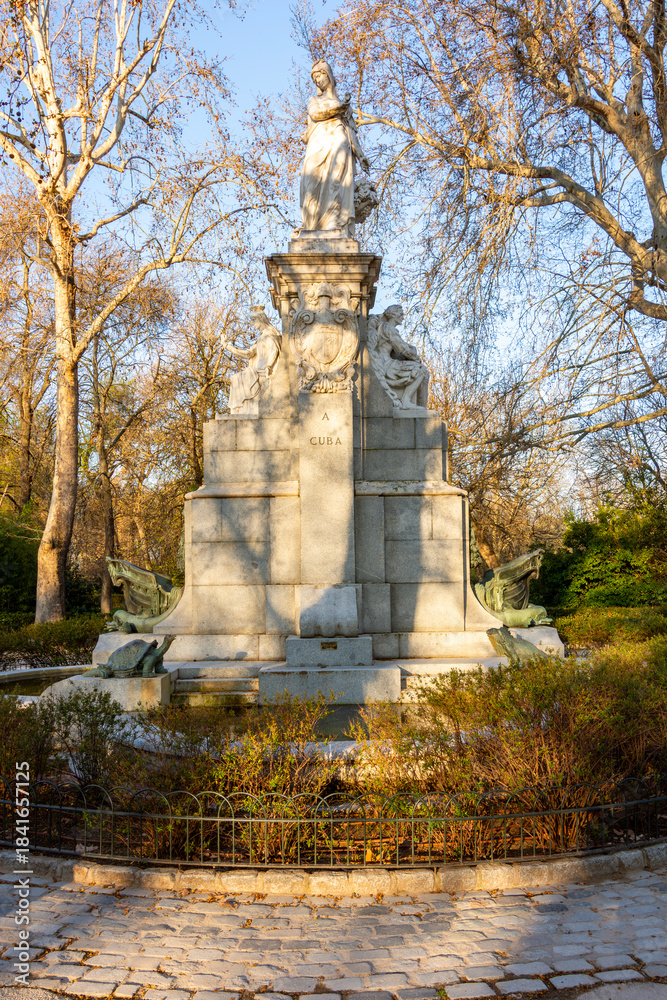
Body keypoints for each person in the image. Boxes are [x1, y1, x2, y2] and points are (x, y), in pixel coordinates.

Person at [299, 59, 370, 235]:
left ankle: (334, 224)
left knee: (337, 182)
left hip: (339, 141)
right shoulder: (314, 100)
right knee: (312, 184)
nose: (317, 80)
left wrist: (360, 156)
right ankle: (312, 226)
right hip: (317, 145)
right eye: (314, 78)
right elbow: (315, 113)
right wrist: (339, 108)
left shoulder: (344, 105)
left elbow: (351, 132)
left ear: (328, 75)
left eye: (319, 75)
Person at [367, 305, 429, 408]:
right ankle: (406, 400)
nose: (402, 317)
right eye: (400, 314)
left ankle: (422, 410)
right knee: (421, 369)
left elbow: (397, 352)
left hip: (386, 362)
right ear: (392, 314)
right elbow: (403, 349)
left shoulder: (384, 327)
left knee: (425, 374)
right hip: (387, 365)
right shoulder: (388, 328)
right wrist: (416, 359)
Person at [224, 307, 281, 414]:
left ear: (260, 320)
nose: (253, 323)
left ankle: (239, 410)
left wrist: (269, 366)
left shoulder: (269, 335)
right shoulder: (261, 337)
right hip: (256, 370)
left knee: (237, 379)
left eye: (254, 320)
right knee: (235, 379)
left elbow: (274, 350)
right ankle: (238, 411)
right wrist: (227, 346)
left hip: (262, 371)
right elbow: (248, 353)